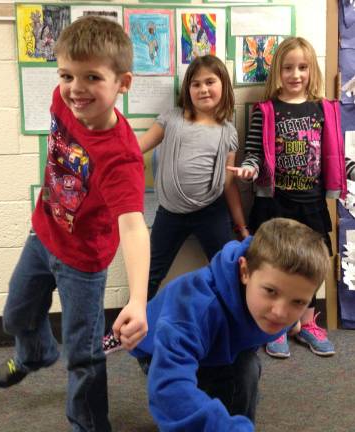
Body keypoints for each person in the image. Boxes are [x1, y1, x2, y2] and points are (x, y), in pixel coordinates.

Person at [0, 16, 149, 432]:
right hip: (43, 234)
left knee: (83, 355)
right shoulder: (63, 101)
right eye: (66, 75)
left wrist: (137, 298)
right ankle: (36, 353)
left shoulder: (121, 158)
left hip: (84, 261)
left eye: (92, 77)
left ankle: (89, 425)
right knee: (16, 316)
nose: (76, 88)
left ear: (123, 83)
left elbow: (133, 227)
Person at [103, 54, 249, 353]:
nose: (203, 89)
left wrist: (241, 225)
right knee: (148, 272)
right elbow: (135, 149)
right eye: (196, 84)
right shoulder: (172, 118)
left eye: (210, 82)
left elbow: (229, 185)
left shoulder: (228, 132)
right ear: (187, 90)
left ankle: (242, 326)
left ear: (223, 86)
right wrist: (106, 153)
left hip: (211, 212)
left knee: (228, 269)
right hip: (170, 214)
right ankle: (125, 329)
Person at [131, 218, 330, 431]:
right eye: (271, 292)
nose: (280, 313)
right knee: (188, 401)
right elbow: (169, 387)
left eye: (298, 302)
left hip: (222, 344)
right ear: (244, 272)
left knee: (246, 371)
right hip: (157, 349)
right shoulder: (195, 307)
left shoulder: (272, 296)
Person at [228, 36, 347, 358]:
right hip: (274, 202)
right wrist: (250, 170)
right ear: (277, 71)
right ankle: (278, 325)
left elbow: (335, 153)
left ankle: (307, 322)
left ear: (312, 70)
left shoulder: (324, 109)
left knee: (314, 261)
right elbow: (253, 153)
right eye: (288, 68)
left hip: (311, 202)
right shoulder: (265, 111)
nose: (295, 75)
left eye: (303, 68)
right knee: (274, 262)